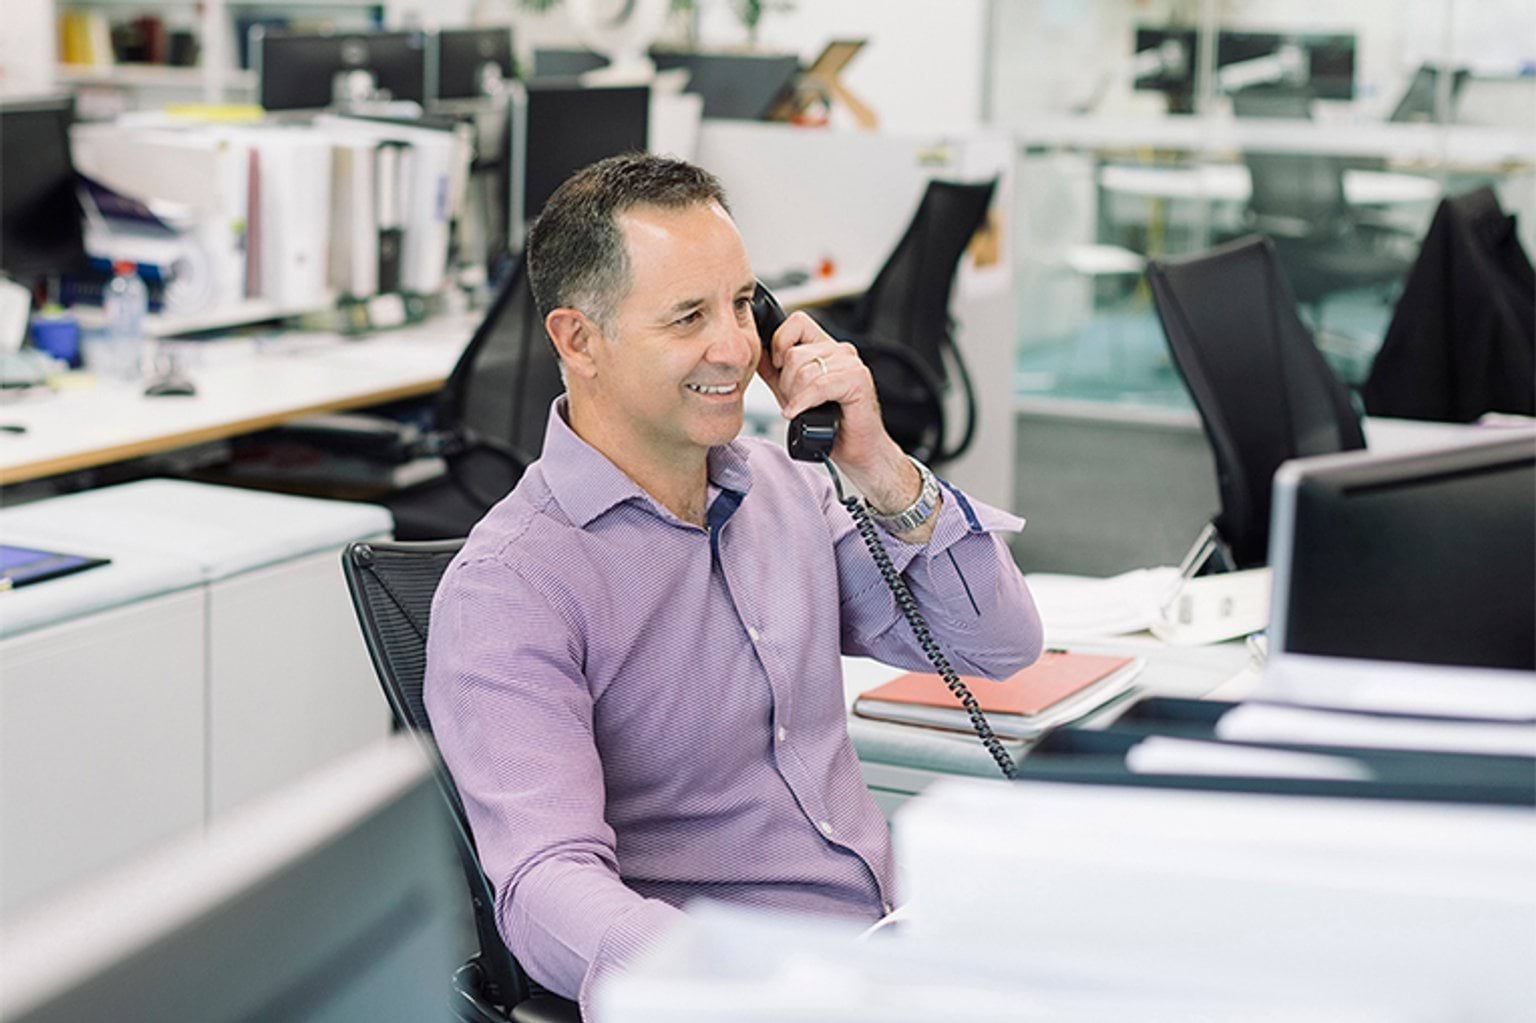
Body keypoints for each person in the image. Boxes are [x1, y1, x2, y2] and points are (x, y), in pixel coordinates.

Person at [425, 153, 1042, 1016]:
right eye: (687, 317)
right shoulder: (511, 588)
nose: (736, 347)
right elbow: (544, 885)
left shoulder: (785, 490)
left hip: (901, 951)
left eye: (742, 304)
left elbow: (999, 644)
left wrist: (878, 463)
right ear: (577, 340)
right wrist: (734, 978)